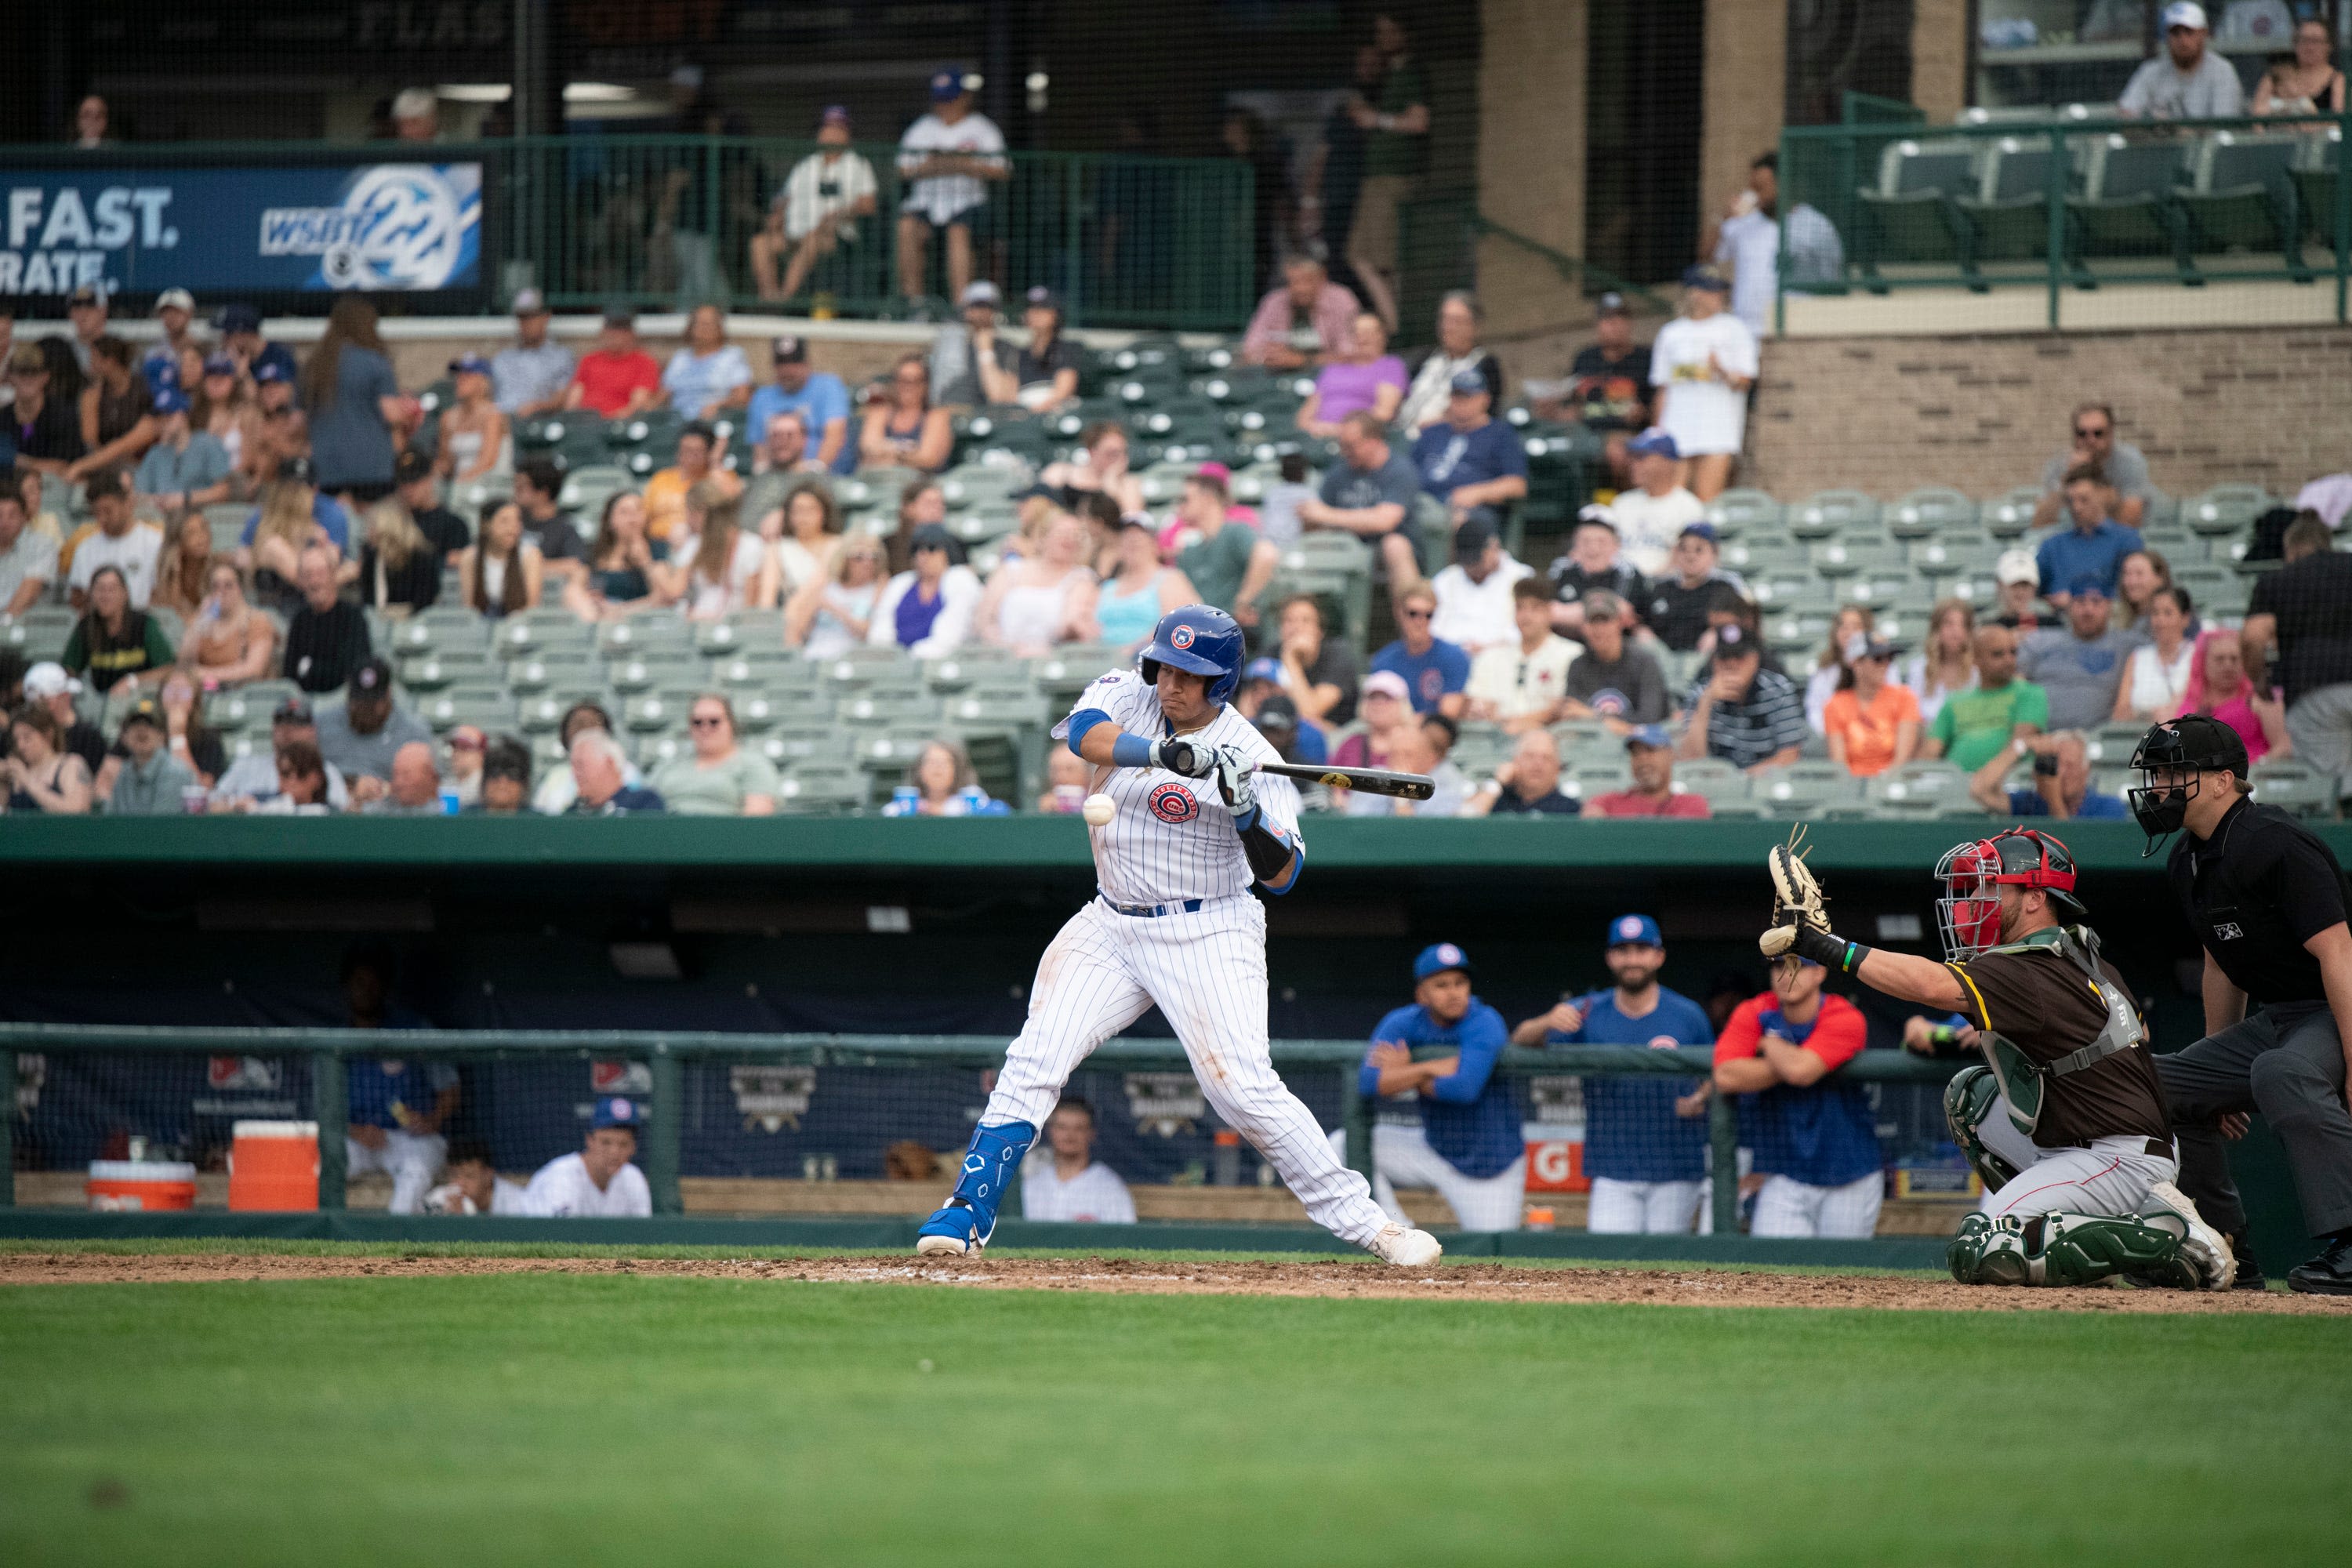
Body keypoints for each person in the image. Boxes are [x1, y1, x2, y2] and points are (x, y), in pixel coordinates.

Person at [916, 606, 1438, 1267]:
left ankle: (1374, 1228)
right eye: (1165, 666)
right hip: (1111, 921)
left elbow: (1282, 876)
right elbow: (1084, 736)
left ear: (1221, 683)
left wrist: (1245, 809)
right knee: (1036, 1055)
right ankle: (967, 1211)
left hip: (1209, 927)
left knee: (1241, 1090)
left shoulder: (1254, 753)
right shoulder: (1125, 694)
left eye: (1190, 675)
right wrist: (1161, 752)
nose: (1171, 684)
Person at [1759, 826, 2233, 1286]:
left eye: (1991, 887)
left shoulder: (2028, 966)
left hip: (2115, 1155)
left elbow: (1928, 984)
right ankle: (2087, 1221)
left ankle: (2169, 1238)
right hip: (2094, 1143)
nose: (1972, 902)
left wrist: (1822, 944)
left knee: (1983, 1246)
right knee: (1972, 1099)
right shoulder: (2080, 956)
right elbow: (2140, 1036)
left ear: (2034, 897)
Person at [2130, 715, 2352, 1294]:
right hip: (2280, 1017)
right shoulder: (2187, 858)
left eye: (2172, 773)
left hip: (2336, 1003)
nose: (2157, 787)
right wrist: (2215, 1084)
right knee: (2156, 1084)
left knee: (2280, 1069)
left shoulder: (2276, 843)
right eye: (2155, 774)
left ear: (2224, 780)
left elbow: (2339, 953)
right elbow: (2219, 964)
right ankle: (2223, 1247)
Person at [1525, 915, 1716, 1232]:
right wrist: (1546, 1021)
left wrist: (1700, 1097)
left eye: (1641, 949)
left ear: (1659, 956)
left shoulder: (1687, 1014)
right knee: (1607, 1264)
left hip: (1676, 1164)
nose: (1632, 959)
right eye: (1623, 950)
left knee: (1668, 1266)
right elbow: (1520, 1042)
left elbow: (1718, 1069)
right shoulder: (1587, 1010)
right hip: (1612, 1165)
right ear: (1610, 958)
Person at [1334, 944, 1522, 1232]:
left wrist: (1404, 1073)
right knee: (1343, 1144)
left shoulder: (1485, 1021)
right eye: (1441, 985)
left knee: (1495, 1256)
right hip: (1433, 1148)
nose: (1453, 992)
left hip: (1488, 1165)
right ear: (1422, 993)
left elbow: (1464, 1088)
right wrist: (1429, 1068)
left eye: (1460, 983)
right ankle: (1396, 1232)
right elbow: (1368, 1083)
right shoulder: (1404, 1022)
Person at [1709, 956, 1880, 1239]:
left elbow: (1801, 1072)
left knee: (1846, 1275)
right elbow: (1726, 1076)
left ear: (1820, 972)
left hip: (1848, 1171)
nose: (1787, 975)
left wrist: (1768, 1043)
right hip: (1783, 1173)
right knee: (1772, 1272)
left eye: (1799, 967)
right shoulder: (1755, 1010)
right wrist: (1793, 1061)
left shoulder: (1844, 1015)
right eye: (1779, 967)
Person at [2244, 514, 2352, 799]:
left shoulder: (2277, 580)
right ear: (2327, 543)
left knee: (2329, 789)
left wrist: (2259, 679)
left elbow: (2255, 637)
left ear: (2290, 549)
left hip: (2312, 690)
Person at [894, 66, 1010, 304]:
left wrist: (963, 164)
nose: (945, 106)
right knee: (906, 227)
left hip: (969, 203)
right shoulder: (922, 128)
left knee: (958, 231)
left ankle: (961, 305)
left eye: (951, 99)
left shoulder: (982, 127)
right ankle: (915, 304)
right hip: (926, 202)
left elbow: (1003, 169)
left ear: (966, 97)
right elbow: (902, 169)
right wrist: (936, 165)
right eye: (940, 100)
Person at [1345, 12, 1430, 332]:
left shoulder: (1412, 72)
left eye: (1391, 31)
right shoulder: (1389, 76)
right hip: (1375, 178)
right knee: (1359, 254)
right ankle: (1393, 325)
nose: (1384, 38)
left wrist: (1376, 120)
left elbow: (1419, 121)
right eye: (1380, 32)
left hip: (1395, 177)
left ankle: (1398, 330)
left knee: (1387, 259)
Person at [1648, 266, 1757, 502]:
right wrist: (1657, 432)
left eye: (1719, 291)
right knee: (1671, 498)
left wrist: (1722, 371)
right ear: (1694, 293)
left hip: (1718, 430)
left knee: (1707, 500)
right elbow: (1663, 387)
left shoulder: (1734, 329)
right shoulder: (1671, 333)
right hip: (1676, 430)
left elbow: (1746, 381)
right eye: (1711, 291)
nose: (1718, 296)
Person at [1707, 151, 1845, 337]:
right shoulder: (1743, 223)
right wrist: (1722, 219)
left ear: (1783, 183)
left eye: (1760, 188)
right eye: (1752, 188)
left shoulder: (1815, 225)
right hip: (1746, 330)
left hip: (1795, 329)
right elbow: (1705, 256)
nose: (1754, 195)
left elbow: (1832, 282)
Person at [753, 105, 880, 303]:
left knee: (811, 239)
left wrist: (839, 214)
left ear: (848, 134)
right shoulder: (806, 164)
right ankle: (769, 299)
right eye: (827, 128)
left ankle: (784, 298)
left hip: (833, 236)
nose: (831, 133)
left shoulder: (858, 165)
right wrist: (777, 215)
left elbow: (868, 205)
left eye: (838, 128)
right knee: (760, 243)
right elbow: (784, 197)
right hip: (793, 232)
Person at [1296, 412, 1426, 603]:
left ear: (1374, 441)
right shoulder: (1339, 472)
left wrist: (1328, 516)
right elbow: (1317, 516)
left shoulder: (1400, 470)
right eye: (1342, 445)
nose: (1344, 451)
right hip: (1344, 548)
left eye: (1350, 445)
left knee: (1395, 545)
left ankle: (1412, 619)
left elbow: (1385, 521)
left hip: (1385, 552)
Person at [299, 297, 405, 506]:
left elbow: (298, 419)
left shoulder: (314, 366)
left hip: (325, 468)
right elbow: (391, 414)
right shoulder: (375, 363)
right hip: (373, 468)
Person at [1550, 293, 1651, 489]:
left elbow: (1655, 406)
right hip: (1586, 432)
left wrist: (1643, 412)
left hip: (1627, 433)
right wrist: (1556, 411)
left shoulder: (1645, 358)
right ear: (1597, 325)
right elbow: (1574, 403)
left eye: (1620, 318)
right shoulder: (1585, 358)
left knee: (1617, 452)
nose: (1614, 324)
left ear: (1630, 323)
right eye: (1607, 319)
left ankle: (1626, 503)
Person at [1413, 370, 1528, 537]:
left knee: (1461, 522)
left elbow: (1517, 485)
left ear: (1485, 399)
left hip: (1468, 510)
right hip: (1423, 503)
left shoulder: (1501, 434)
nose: (1462, 402)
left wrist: (1478, 492)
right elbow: (1407, 471)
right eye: (1457, 396)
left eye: (1469, 397)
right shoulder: (1433, 431)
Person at [1678, 624, 1805, 775]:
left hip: (1764, 783)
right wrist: (1706, 703)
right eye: (1724, 657)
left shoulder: (1778, 691)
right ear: (1713, 661)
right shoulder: (1701, 693)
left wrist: (1741, 779)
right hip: (1714, 783)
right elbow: (1690, 759)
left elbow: (1789, 756)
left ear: (1755, 659)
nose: (1732, 664)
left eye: (1739, 657)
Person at [2021, 582, 2142, 732]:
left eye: (2096, 602)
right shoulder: (2040, 641)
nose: (2088, 610)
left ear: (2109, 606)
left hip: (2098, 739)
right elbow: (2014, 683)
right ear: (2069, 606)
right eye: (2080, 601)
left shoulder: (2128, 645)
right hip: (2040, 736)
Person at [1926, 624, 2047, 772]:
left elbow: (2017, 746)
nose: (2008, 659)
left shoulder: (2030, 694)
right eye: (1998, 654)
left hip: (2007, 784)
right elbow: (1931, 752)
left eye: (2013, 652)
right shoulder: (1954, 701)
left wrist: (1983, 782)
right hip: (1955, 786)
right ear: (1975, 659)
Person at [1168, 466, 1279, 626]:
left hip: (1237, 633)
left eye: (1185, 499)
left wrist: (1243, 601)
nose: (1179, 507)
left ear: (1208, 498)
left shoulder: (1235, 532)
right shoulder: (1189, 551)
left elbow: (1267, 555)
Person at [978, 511, 1098, 655]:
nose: (1069, 538)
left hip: (1052, 658)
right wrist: (1005, 647)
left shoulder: (1081, 578)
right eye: (1062, 532)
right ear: (1043, 537)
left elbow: (1073, 620)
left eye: (1075, 534)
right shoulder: (1011, 569)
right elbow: (985, 619)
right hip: (1002, 655)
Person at [1465, 577, 1577, 732]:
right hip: (1495, 741)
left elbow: (1559, 710)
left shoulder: (1572, 655)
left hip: (1549, 740)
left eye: (1535, 608)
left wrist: (1515, 723)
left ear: (1549, 611)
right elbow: (1479, 706)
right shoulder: (1491, 657)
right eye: (1520, 608)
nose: (1526, 616)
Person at [209, 695, 351, 811]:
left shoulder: (327, 771)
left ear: (312, 731)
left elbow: (338, 811)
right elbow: (213, 803)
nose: (288, 731)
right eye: (282, 724)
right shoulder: (246, 765)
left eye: (297, 725)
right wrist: (234, 805)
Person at [649, 694, 779, 816]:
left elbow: (757, 818)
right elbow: (643, 805)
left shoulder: (753, 764)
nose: (705, 728)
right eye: (697, 722)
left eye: (714, 722)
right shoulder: (670, 764)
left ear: (731, 725)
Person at [317, 660, 433, 797]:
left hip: (390, 811)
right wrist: (351, 785)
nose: (366, 709)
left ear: (388, 694)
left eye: (373, 703)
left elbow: (426, 788)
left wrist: (388, 789)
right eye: (361, 702)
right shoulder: (323, 724)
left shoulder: (414, 732)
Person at [2179, 626, 2291, 766]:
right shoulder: (2184, 700)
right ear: (2203, 662)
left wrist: (2254, 771)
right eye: (2220, 659)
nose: (2228, 665)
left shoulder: (2261, 699)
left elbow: (2283, 747)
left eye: (2235, 659)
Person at [1561, 589, 1670, 731]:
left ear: (1620, 622)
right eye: (1593, 622)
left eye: (1605, 621)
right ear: (1583, 627)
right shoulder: (1578, 665)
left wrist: (1594, 715)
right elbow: (1572, 714)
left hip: (1638, 745)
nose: (1599, 629)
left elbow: (1650, 719)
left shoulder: (1644, 662)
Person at [524, 1098, 655, 1218]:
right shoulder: (562, 1177)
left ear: (633, 1148)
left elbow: (644, 1237)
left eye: (623, 1144)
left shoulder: (633, 1178)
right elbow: (554, 1236)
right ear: (590, 1141)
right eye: (606, 1142)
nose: (615, 1152)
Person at [2031, 404, 2154, 531]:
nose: (2090, 440)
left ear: (2111, 434)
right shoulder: (2060, 464)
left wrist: (2099, 482)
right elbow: (2040, 523)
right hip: (2073, 538)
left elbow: (2131, 520)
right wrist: (2067, 478)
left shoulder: (2129, 461)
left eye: (2098, 433)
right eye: (2082, 434)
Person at [1395, 291, 1503, 434]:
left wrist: (1438, 425)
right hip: (1401, 434)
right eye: (1445, 319)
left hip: (1445, 441)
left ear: (1475, 327)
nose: (1448, 328)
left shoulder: (1486, 364)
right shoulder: (1427, 359)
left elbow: (1486, 415)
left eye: (1457, 321)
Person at [742, 335, 851, 475]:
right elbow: (760, 449)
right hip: (779, 475)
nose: (788, 369)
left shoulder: (828, 386)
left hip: (824, 475)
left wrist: (816, 469)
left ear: (807, 363)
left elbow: (835, 435)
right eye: (782, 363)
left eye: (794, 362)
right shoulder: (762, 397)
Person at [2036, 469, 2145, 607]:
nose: (2076, 507)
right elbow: (2032, 589)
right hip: (2056, 622)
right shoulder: (2052, 545)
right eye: (2070, 501)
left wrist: (2078, 600)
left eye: (2084, 499)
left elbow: (2131, 593)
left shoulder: (2126, 541)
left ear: (2102, 495)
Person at [1018, 1097, 1137, 1223]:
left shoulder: (1109, 1187)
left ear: (1091, 1133)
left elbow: (1124, 1238)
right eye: (1062, 1127)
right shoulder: (1033, 1184)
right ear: (1050, 1131)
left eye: (1079, 1128)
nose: (1070, 1135)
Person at [1428, 516, 1531, 658]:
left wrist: (1488, 649)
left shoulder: (1522, 577)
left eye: (1477, 559)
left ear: (1494, 546)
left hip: (1503, 659)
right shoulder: (1445, 580)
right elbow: (1432, 629)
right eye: (1467, 560)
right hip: (1450, 661)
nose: (1472, 566)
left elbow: (1528, 629)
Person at [2120, 2, 2245, 119]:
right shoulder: (2151, 71)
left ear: (2203, 34)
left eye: (2189, 32)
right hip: (2161, 142)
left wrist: (2175, 130)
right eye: (2175, 33)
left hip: (2207, 143)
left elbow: (2223, 126)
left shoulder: (2222, 71)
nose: (2182, 40)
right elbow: (2125, 113)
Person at [872, 524, 982, 656]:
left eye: (931, 548)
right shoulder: (900, 583)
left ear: (946, 552)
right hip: (897, 664)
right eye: (916, 550)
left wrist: (912, 659)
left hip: (944, 662)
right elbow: (880, 630)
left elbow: (950, 637)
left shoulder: (960, 580)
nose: (922, 556)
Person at [61, 565, 173, 695]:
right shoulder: (86, 627)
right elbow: (69, 670)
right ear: (91, 595)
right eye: (100, 589)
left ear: (125, 593)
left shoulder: (144, 624)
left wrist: (132, 681)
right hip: (100, 703)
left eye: (112, 590)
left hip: (140, 699)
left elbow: (168, 669)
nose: (105, 596)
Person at [1971, 728, 2130, 819]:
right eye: (2055, 763)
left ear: (2085, 770)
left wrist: (2053, 798)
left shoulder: (2108, 806)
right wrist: (2021, 746)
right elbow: (1979, 790)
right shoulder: (2030, 803)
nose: (2060, 772)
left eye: (2069, 765)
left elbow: (2069, 851)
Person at [670, 486, 775, 622]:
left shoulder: (750, 545)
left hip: (735, 623)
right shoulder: (694, 544)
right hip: (695, 621)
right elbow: (675, 591)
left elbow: (751, 606)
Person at [63, 468, 162, 611]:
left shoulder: (155, 543)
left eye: (108, 511)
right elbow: (78, 599)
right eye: (97, 513)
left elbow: (161, 598)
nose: (102, 519)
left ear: (127, 504)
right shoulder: (85, 548)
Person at [1093, 517, 1198, 652]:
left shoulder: (1170, 579)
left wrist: (1130, 651)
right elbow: (1091, 627)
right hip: (1104, 659)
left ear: (1154, 543)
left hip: (1149, 658)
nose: (1132, 539)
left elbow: (1175, 627)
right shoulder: (1108, 587)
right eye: (1126, 535)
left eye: (1139, 535)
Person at [1823, 637, 1921, 779]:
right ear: (1856, 664)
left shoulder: (1904, 698)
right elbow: (1839, 765)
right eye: (1878, 659)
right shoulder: (1835, 705)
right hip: (1852, 787)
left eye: (1889, 658)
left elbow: (1902, 760)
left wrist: (1881, 784)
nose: (1885, 664)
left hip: (1892, 783)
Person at [1241, 256, 1360, 371]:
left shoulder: (1342, 300)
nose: (1300, 289)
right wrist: (1268, 356)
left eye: (1306, 281)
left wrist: (1302, 360)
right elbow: (1250, 348)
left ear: (1322, 278)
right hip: (1277, 374)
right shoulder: (1274, 301)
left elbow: (1351, 355)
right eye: (1293, 282)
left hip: (1326, 375)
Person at [1544, 507, 1648, 639]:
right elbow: (1548, 612)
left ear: (1616, 546)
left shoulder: (1628, 572)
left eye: (1601, 541)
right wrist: (1603, 609)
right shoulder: (1562, 569)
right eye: (1586, 541)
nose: (1593, 549)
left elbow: (1626, 616)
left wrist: (1570, 612)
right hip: (1567, 643)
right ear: (1575, 544)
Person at [67, 334, 158, 484]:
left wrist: (84, 465)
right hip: (105, 465)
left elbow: (138, 438)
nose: (90, 364)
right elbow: (90, 441)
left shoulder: (144, 389)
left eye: (94, 358)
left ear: (110, 361)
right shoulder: (92, 394)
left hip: (142, 464)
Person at [1297, 313, 1407, 435]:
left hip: (1360, 439)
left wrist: (1342, 431)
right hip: (1318, 435)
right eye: (1356, 333)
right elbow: (1307, 413)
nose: (1362, 338)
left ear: (1382, 336)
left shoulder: (1391, 366)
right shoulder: (1334, 368)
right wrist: (1312, 427)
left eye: (1368, 332)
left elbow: (1384, 412)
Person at [1370, 583, 1470, 719]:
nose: (1420, 621)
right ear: (1398, 612)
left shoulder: (1454, 657)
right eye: (1413, 614)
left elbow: (1447, 716)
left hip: (1435, 737)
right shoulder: (1383, 661)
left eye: (1428, 615)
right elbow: (1377, 712)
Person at [1640, 526, 1740, 655]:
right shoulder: (1661, 588)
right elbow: (1640, 623)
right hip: (1662, 660)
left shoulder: (1724, 587)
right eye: (1683, 549)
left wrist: (1719, 632)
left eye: (1699, 550)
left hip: (1706, 660)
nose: (1690, 556)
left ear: (1714, 554)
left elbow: (1741, 625)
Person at [979, 286, 1081, 412]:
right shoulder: (1018, 354)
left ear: (1056, 315)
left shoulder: (1068, 348)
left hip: (1054, 413)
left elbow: (1063, 391)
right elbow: (1003, 396)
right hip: (1024, 414)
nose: (1035, 313)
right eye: (1031, 308)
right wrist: (985, 351)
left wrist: (1036, 410)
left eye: (1043, 308)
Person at [785, 532, 885, 658]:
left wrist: (834, 608)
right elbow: (798, 628)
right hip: (816, 654)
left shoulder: (879, 589)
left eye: (874, 557)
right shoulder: (828, 587)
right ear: (844, 559)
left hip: (852, 658)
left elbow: (865, 632)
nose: (868, 562)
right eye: (859, 556)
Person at [132, 389, 230, 514]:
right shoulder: (155, 453)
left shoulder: (208, 443)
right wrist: (156, 500)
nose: (164, 421)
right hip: (161, 521)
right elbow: (137, 495)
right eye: (160, 416)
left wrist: (185, 499)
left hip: (200, 517)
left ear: (184, 415)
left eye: (169, 415)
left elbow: (224, 491)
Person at [643, 421, 741, 544]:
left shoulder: (719, 477)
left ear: (708, 452)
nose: (691, 456)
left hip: (703, 543)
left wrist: (715, 462)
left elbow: (731, 504)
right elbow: (645, 517)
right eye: (686, 450)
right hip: (659, 544)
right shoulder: (661, 478)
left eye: (697, 451)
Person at [95, 697, 194, 815]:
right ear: (124, 737)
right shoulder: (124, 773)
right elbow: (113, 820)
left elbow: (161, 826)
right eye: (134, 724)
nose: (141, 730)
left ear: (161, 736)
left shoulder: (175, 772)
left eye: (149, 724)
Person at [1587, 725, 1713, 818]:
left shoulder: (1691, 804)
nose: (1642, 758)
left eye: (1650, 750)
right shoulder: (1608, 803)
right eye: (1635, 753)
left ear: (1670, 754)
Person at [1274, 593, 1356, 732]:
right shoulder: (1271, 653)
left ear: (1320, 630)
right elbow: (1249, 713)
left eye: (1306, 621)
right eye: (1289, 621)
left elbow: (1309, 713)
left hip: (1335, 742)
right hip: (1279, 735)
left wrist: (1291, 660)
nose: (1296, 627)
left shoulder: (1337, 655)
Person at [659, 303, 753, 426]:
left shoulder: (732, 356)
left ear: (720, 328)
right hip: (676, 422)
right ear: (690, 327)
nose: (704, 329)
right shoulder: (680, 358)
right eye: (699, 323)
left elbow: (742, 397)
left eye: (709, 324)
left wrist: (719, 405)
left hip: (713, 422)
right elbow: (664, 394)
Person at [858, 354, 954, 473]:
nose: (907, 387)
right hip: (882, 481)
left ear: (925, 385)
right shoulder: (880, 412)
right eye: (902, 380)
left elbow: (929, 458)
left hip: (920, 485)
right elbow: (869, 447)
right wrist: (907, 453)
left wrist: (890, 453)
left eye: (914, 381)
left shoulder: (937, 416)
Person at [2114, 586, 2197, 723]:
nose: (2160, 621)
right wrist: (2150, 715)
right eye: (2155, 613)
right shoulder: (2138, 657)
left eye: (2168, 613)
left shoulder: (2197, 655)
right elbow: (2120, 712)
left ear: (2185, 618)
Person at [563, 310, 662, 420]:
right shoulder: (589, 360)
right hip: (585, 422)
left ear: (631, 334)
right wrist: (571, 419)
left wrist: (607, 421)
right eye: (610, 329)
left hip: (620, 426)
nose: (613, 335)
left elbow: (638, 404)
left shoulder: (644, 362)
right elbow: (574, 398)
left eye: (620, 330)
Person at [5, 342, 87, 475]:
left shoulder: (63, 415)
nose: (28, 379)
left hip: (56, 488)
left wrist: (20, 462)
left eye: (34, 372)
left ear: (45, 376)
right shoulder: (4, 417)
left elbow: (67, 466)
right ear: (10, 376)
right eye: (21, 372)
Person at [490, 289, 573, 418]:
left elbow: (562, 399)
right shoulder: (503, 358)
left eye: (531, 317)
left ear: (546, 317)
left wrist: (538, 406)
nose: (526, 323)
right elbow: (486, 396)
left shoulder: (560, 357)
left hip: (537, 425)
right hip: (500, 424)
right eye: (522, 318)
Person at [1461, 727, 1580, 817]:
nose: (1537, 764)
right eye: (1529, 756)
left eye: (1546, 758)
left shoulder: (1570, 809)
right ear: (1515, 762)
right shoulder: (1496, 801)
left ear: (1557, 768)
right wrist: (1497, 783)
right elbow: (1465, 820)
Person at [456, 501, 543, 620]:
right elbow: (469, 607)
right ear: (486, 525)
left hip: (518, 622)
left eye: (517, 520)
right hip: (482, 622)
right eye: (504, 521)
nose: (512, 528)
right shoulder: (470, 557)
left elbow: (531, 608)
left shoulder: (530, 555)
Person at [433, 354, 509, 486]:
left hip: (489, 485)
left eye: (467, 375)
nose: (460, 380)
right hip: (458, 487)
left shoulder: (493, 415)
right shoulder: (449, 417)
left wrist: (461, 482)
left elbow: (488, 462)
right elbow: (447, 465)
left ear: (482, 381)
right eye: (459, 375)